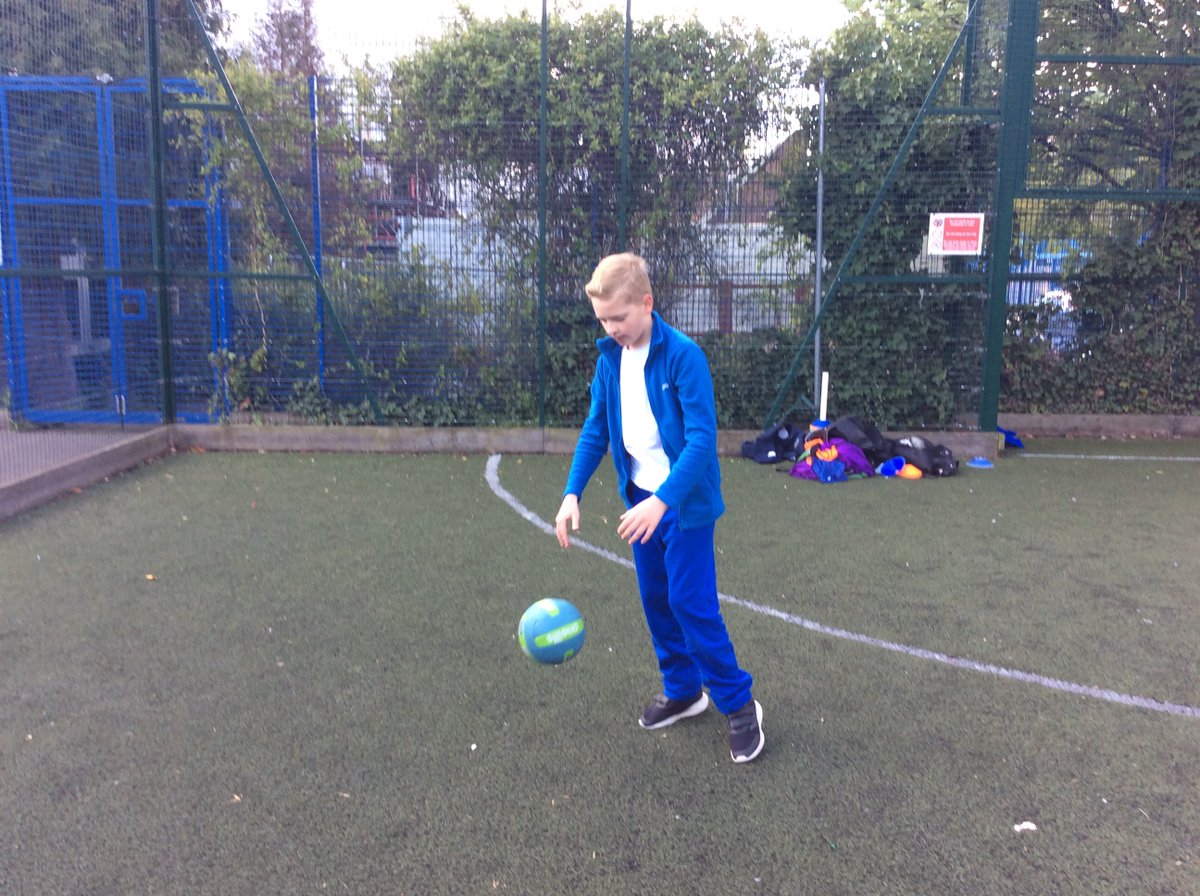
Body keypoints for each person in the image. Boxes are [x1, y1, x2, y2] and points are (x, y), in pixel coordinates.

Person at [554, 252, 764, 764]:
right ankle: (683, 690)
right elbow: (596, 429)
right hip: (640, 503)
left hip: (684, 506)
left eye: (619, 318)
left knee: (691, 603)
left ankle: (740, 705)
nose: (611, 328)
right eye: (603, 319)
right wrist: (571, 493)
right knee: (656, 599)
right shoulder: (610, 359)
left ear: (647, 304)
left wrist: (663, 502)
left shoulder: (684, 356)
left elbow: (700, 441)